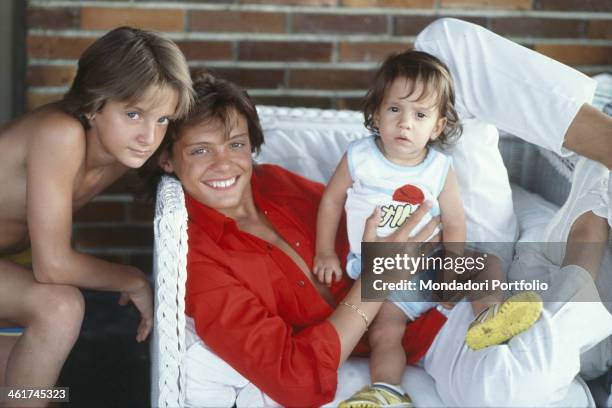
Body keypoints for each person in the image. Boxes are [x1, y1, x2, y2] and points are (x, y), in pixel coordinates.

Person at [152, 18, 612, 407]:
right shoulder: (200, 262)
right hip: (422, 323)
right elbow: (293, 379)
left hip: (457, 237)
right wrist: (381, 277)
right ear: (167, 160)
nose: (224, 165)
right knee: (510, 390)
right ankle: (585, 250)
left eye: (235, 145)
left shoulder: (272, 181)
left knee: (443, 45)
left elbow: (368, 201)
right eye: (200, 151)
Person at [313, 50, 542, 407]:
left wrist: (452, 263)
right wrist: (325, 251)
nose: (405, 123)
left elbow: (454, 220)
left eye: (419, 115)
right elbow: (330, 201)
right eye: (394, 110)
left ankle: (490, 317)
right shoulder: (360, 157)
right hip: (382, 272)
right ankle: (387, 391)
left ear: (437, 126)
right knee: (385, 332)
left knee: (488, 265)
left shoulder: (438, 167)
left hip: (432, 262)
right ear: (375, 112)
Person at [0, 26, 193, 402]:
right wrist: (133, 279)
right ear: (93, 104)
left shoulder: (125, 147)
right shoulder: (60, 134)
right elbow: (52, 266)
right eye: (134, 113)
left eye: (162, 120)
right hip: (19, 262)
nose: (149, 137)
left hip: (9, 260)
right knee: (60, 307)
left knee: (30, 388)